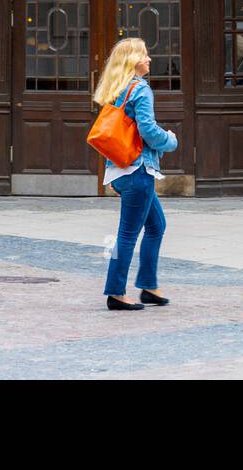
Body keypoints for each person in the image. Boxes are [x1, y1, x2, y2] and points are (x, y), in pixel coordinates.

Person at [93, 37, 178, 310]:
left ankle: (148, 286)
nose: (149, 59)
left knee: (156, 226)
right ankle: (116, 292)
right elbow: (148, 131)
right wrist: (170, 140)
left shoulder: (118, 88)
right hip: (138, 170)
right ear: (132, 60)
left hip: (119, 170)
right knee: (127, 234)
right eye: (144, 55)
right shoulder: (140, 89)